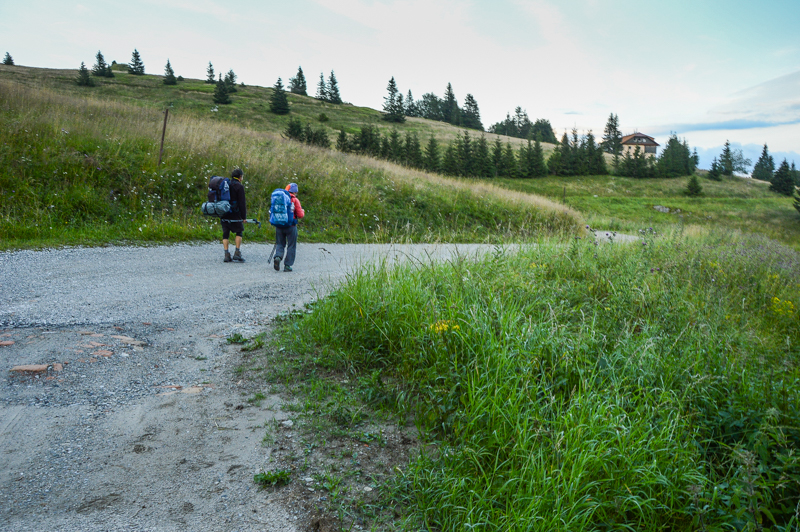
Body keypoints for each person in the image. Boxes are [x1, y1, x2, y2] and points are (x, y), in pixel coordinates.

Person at [273, 182, 304, 272]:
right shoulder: (294, 199)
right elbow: (300, 215)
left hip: (279, 225)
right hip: (291, 226)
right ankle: (287, 265)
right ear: (295, 192)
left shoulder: (279, 197)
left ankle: (278, 257)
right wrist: (303, 211)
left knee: (280, 243)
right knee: (291, 245)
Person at [221, 168, 247, 263]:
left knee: (225, 233)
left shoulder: (225, 184)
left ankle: (226, 254)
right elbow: (242, 203)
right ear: (240, 177)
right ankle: (237, 253)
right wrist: (244, 217)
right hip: (235, 213)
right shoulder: (239, 187)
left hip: (224, 211)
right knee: (239, 231)